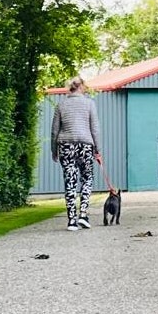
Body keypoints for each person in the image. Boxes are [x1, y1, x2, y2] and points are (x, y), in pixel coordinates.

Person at [50, 75, 103, 230]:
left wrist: (54, 151)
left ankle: (71, 220)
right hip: (86, 146)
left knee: (70, 181)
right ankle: (83, 214)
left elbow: (54, 131)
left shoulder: (61, 105)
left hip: (66, 146)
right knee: (87, 178)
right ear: (82, 87)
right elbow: (95, 129)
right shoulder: (89, 104)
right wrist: (98, 150)